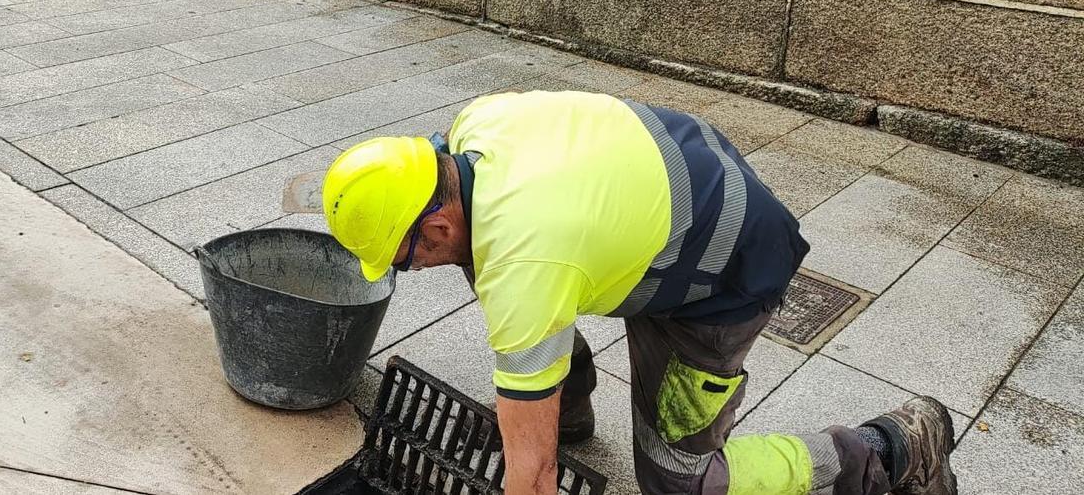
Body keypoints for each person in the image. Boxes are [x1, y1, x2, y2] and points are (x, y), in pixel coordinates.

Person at [322, 90, 957, 495]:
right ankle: (565, 410)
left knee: (679, 482)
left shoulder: (526, 259)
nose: (415, 269)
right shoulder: (469, 131)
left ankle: (888, 449)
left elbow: (535, 482)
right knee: (487, 258)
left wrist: (529, 456)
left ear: (432, 224)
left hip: (725, 269)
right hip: (684, 181)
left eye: (407, 260)